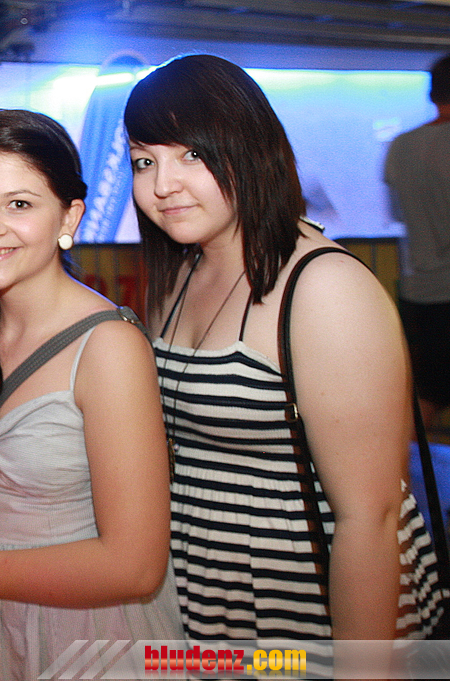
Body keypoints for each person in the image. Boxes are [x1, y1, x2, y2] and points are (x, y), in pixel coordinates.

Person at [125, 53, 445, 640]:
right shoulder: (181, 272)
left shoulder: (325, 289)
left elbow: (370, 520)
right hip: (208, 603)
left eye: (192, 155)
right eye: (145, 161)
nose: (162, 184)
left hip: (305, 609)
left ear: (252, 148)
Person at [0, 109, 182, 680]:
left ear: (69, 216)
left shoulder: (108, 347)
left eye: (19, 204)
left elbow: (136, 565)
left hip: (85, 634)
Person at [384, 53, 450, 434]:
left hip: (419, 294)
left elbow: (396, 212)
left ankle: (411, 468)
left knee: (424, 395)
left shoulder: (402, 146)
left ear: (432, 94)